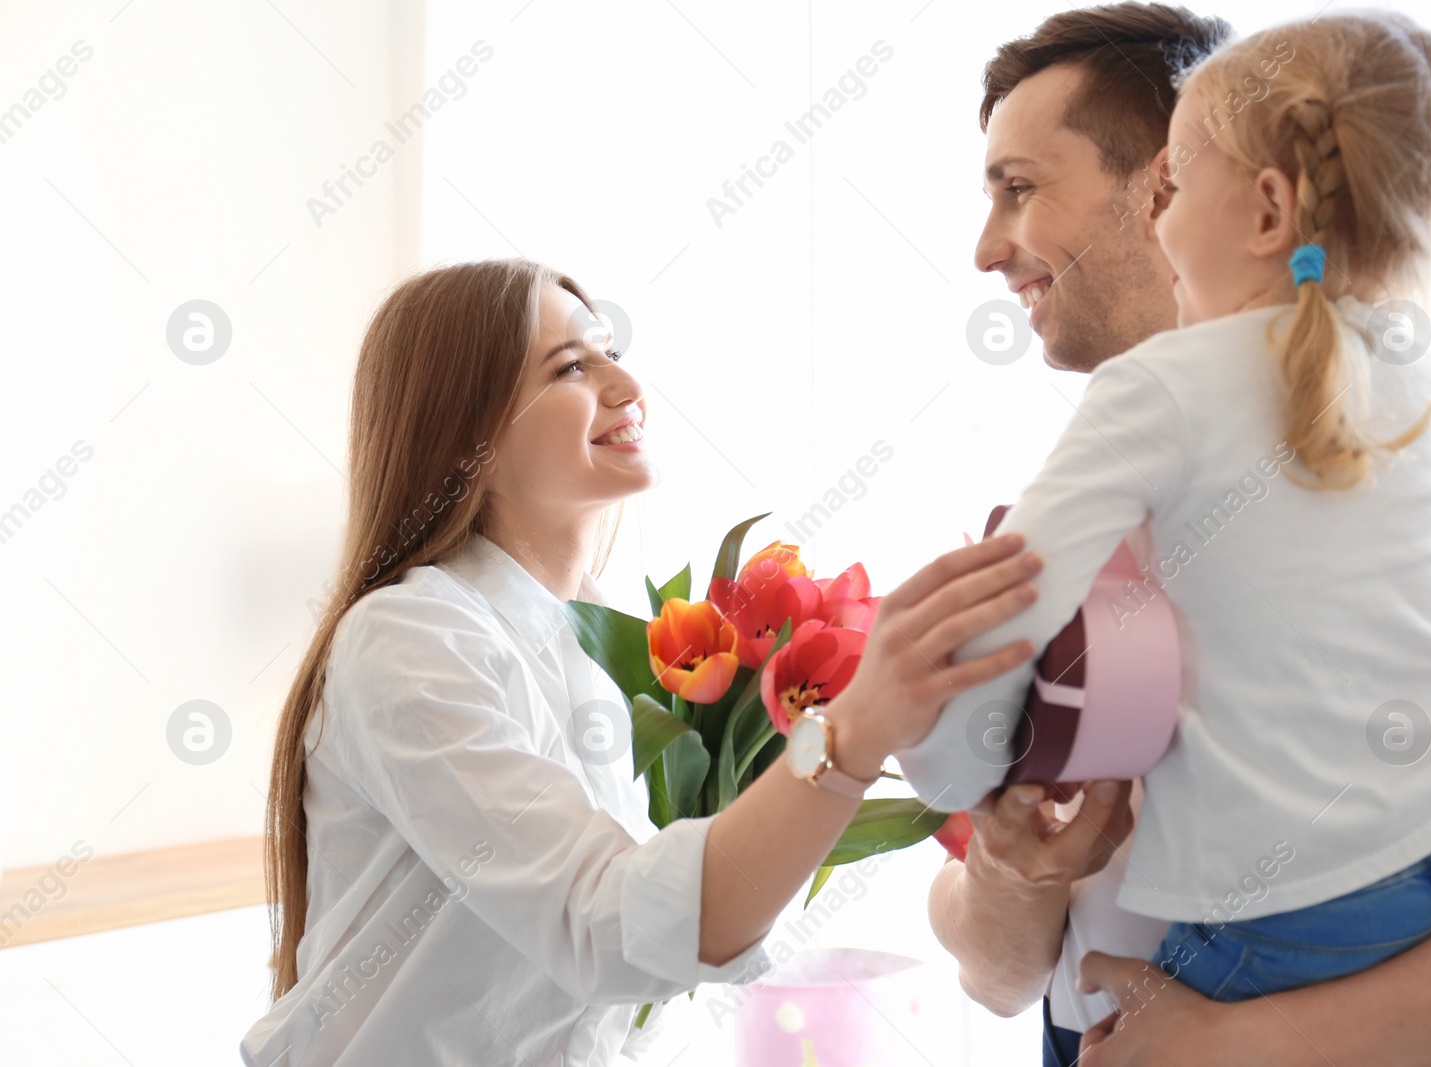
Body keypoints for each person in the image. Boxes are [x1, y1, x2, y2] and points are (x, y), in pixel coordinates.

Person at [926, 4, 1431, 1065]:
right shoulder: (1088, 483)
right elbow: (1001, 975)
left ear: (1168, 186)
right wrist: (1017, 872)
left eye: (1020, 189)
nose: (983, 249)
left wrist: (1251, 1045)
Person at [239, 259, 1043, 1065]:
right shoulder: (411, 639)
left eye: (610, 350)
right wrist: (850, 730)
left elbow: (624, 981)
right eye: (571, 367)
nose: (626, 384)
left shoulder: (586, 653)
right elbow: (609, 925)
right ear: (465, 440)